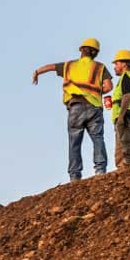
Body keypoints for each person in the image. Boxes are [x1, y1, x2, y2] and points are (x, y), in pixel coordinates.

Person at [33, 38, 114, 181]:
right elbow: (108, 87)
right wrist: (94, 91)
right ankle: (100, 171)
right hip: (94, 107)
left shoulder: (69, 66)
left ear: (81, 50)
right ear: (95, 53)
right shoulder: (100, 67)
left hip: (75, 107)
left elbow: (51, 67)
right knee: (98, 138)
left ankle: (75, 176)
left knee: (74, 142)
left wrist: (37, 72)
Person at [109, 49, 130, 169]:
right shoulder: (129, 78)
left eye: (116, 63)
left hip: (127, 119)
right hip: (129, 118)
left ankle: (128, 175)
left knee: (126, 153)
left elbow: (127, 96)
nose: (114, 67)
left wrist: (121, 117)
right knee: (122, 152)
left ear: (124, 64)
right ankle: (124, 175)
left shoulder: (126, 77)